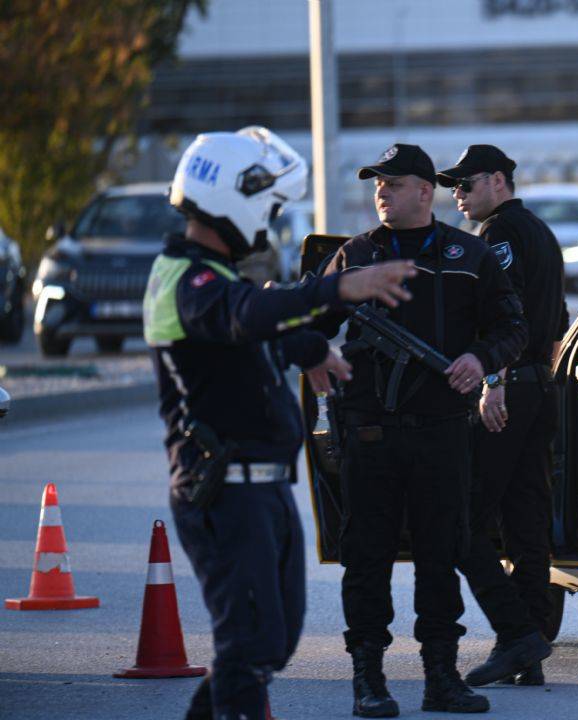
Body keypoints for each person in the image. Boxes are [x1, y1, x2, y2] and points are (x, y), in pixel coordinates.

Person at [146, 126, 417, 720]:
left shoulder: (214, 278)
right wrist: (340, 286)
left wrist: (309, 349)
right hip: (221, 491)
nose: (267, 223)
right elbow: (244, 315)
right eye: (265, 207)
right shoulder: (182, 280)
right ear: (230, 199)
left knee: (269, 641)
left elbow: (253, 329)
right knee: (247, 645)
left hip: (263, 490)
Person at [317, 143, 528, 716]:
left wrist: (480, 361)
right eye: (376, 183)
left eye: (392, 182)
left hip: (440, 429)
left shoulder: (468, 254)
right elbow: (309, 321)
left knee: (440, 553)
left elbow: (512, 326)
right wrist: (317, 361)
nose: (380, 191)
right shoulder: (354, 256)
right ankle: (369, 678)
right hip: (368, 431)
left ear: (424, 190)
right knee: (367, 556)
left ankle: (441, 675)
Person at [436, 145, 568, 688]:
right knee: (526, 522)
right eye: (453, 187)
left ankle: (516, 635)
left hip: (507, 389)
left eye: (465, 185)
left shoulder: (498, 237)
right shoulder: (540, 231)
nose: (457, 195)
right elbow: (554, 328)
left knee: (464, 517)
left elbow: (501, 316)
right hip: (538, 386)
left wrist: (495, 383)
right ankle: (528, 650)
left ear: (497, 180)